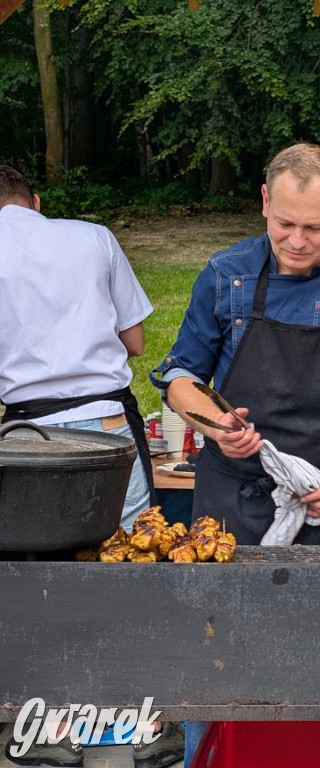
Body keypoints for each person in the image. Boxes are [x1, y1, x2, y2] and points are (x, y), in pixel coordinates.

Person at [0, 165, 184, 768]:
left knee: (39, 576)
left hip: (27, 438)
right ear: (37, 202)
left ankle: (47, 729)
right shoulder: (93, 236)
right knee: (130, 566)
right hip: (107, 428)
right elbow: (135, 341)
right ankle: (146, 723)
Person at [152, 142, 320, 545]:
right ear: (265, 201)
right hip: (231, 499)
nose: (296, 241)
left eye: (314, 228)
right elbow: (180, 376)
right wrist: (216, 425)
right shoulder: (226, 276)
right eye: (284, 224)